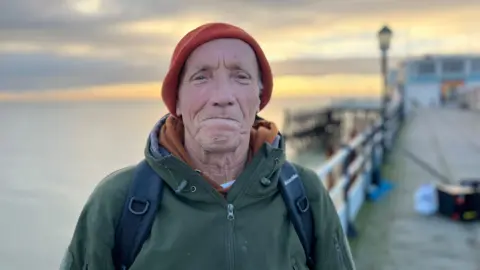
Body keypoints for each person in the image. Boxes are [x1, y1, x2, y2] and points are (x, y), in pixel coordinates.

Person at [61, 22, 356, 270]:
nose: (222, 96)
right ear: (176, 100)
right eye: (201, 77)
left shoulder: (305, 194)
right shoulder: (117, 201)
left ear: (259, 97)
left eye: (241, 77)